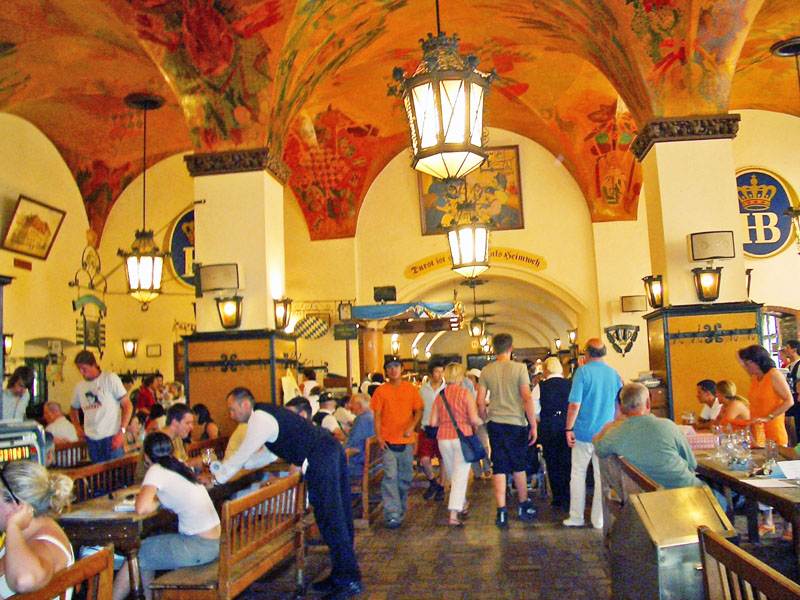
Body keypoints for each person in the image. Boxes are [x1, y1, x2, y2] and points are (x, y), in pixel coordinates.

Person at [210, 388, 362, 600]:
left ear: (245, 404)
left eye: (232, 409)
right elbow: (270, 454)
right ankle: (341, 574)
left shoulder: (259, 418)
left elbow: (243, 453)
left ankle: (350, 580)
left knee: (332, 518)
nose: (231, 415)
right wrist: (238, 467)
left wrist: (217, 479)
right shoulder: (267, 415)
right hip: (328, 451)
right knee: (332, 517)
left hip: (322, 456)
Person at [112, 432, 220, 600]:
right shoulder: (178, 466)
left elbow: (141, 507)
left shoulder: (156, 469)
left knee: (138, 553)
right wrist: (159, 503)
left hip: (199, 546)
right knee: (147, 550)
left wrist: (156, 503)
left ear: (146, 455)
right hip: (214, 543)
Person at [476, 333, 538, 528]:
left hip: (495, 422)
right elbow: (526, 398)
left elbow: (480, 401)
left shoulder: (486, 370)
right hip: (516, 422)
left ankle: (501, 510)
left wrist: (485, 418)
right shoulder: (519, 369)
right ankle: (523, 505)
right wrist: (533, 424)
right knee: (519, 465)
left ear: (494, 349)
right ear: (511, 348)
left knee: (499, 465)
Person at [594, 383, 704, 490]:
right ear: (648, 403)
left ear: (621, 407)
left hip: (646, 498)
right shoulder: (668, 426)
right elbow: (692, 464)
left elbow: (599, 450)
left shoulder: (615, 434)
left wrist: (604, 430)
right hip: (688, 492)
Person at [563, 338, 621, 529]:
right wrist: (614, 426)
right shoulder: (614, 374)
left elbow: (574, 404)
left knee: (578, 474)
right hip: (605, 433)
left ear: (586, 353)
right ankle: (599, 520)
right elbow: (618, 405)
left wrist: (568, 428)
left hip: (583, 432)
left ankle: (576, 517)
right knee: (601, 477)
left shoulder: (582, 372)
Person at [0, 460, 75, 597]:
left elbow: (23, 580)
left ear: (17, 505)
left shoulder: (46, 544)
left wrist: (13, 526)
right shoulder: (25, 534)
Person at [370, 357, 423, 529]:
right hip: (388, 442)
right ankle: (392, 513)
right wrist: (379, 437)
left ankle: (400, 507)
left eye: (396, 366)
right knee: (390, 477)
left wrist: (412, 426)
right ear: (386, 371)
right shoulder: (380, 391)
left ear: (402, 369)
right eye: (390, 367)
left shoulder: (411, 389)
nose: (393, 370)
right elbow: (377, 416)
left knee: (405, 478)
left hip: (406, 441)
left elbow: (418, 410)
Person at [429, 362, 479, 527]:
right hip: (462, 437)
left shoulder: (440, 395)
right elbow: (474, 419)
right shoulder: (466, 394)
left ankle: (462, 503)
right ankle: (453, 514)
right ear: (460, 377)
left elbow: (432, 422)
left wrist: (445, 422)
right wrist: (470, 425)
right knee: (460, 476)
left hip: (443, 438)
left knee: (453, 474)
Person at [70, 350, 133, 464]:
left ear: (93, 364)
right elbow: (73, 409)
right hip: (92, 439)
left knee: (116, 471)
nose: (81, 372)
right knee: (97, 472)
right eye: (79, 369)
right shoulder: (80, 387)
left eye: (84, 368)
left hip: (111, 436)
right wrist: (77, 428)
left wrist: (121, 431)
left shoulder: (109, 379)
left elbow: (127, 406)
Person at [536, 356, 572, 509]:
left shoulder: (541, 387)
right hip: (566, 425)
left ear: (546, 369)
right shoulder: (570, 384)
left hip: (549, 426)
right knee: (567, 461)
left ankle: (558, 498)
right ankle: (569, 496)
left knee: (552, 462)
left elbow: (534, 410)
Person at [417, 360, 445, 501]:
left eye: (441, 372)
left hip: (443, 428)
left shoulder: (447, 388)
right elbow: (419, 409)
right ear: (430, 374)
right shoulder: (423, 390)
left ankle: (441, 486)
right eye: (436, 372)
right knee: (424, 458)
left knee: (443, 459)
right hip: (426, 427)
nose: (440, 375)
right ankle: (433, 481)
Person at [466, 368, 492, 480]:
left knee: (484, 446)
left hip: (481, 422)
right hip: (469, 423)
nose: (469, 380)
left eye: (471, 378)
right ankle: (477, 471)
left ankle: (487, 467)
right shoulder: (466, 392)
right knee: (471, 447)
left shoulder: (485, 391)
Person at [344, 393, 375, 480]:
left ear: (359, 405)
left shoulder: (362, 420)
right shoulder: (372, 415)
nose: (349, 406)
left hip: (358, 467)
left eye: (351, 403)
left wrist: (339, 455)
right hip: (373, 465)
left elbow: (355, 449)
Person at [782, 340, 800, 441]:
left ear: (794, 350)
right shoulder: (788, 366)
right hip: (791, 399)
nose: (785, 350)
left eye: (787, 348)